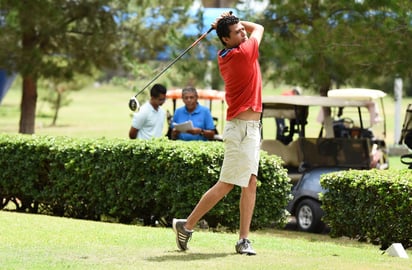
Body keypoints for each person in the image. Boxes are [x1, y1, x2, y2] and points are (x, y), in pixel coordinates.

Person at [172, 12, 264, 255]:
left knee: (250, 182)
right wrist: (236, 19)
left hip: (251, 128)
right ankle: (187, 225)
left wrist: (230, 22)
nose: (243, 32)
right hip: (240, 129)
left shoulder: (228, 51)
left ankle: (243, 239)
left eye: (241, 30)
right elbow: (260, 27)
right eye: (237, 32)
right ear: (225, 39)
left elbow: (247, 31)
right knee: (228, 184)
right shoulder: (242, 54)